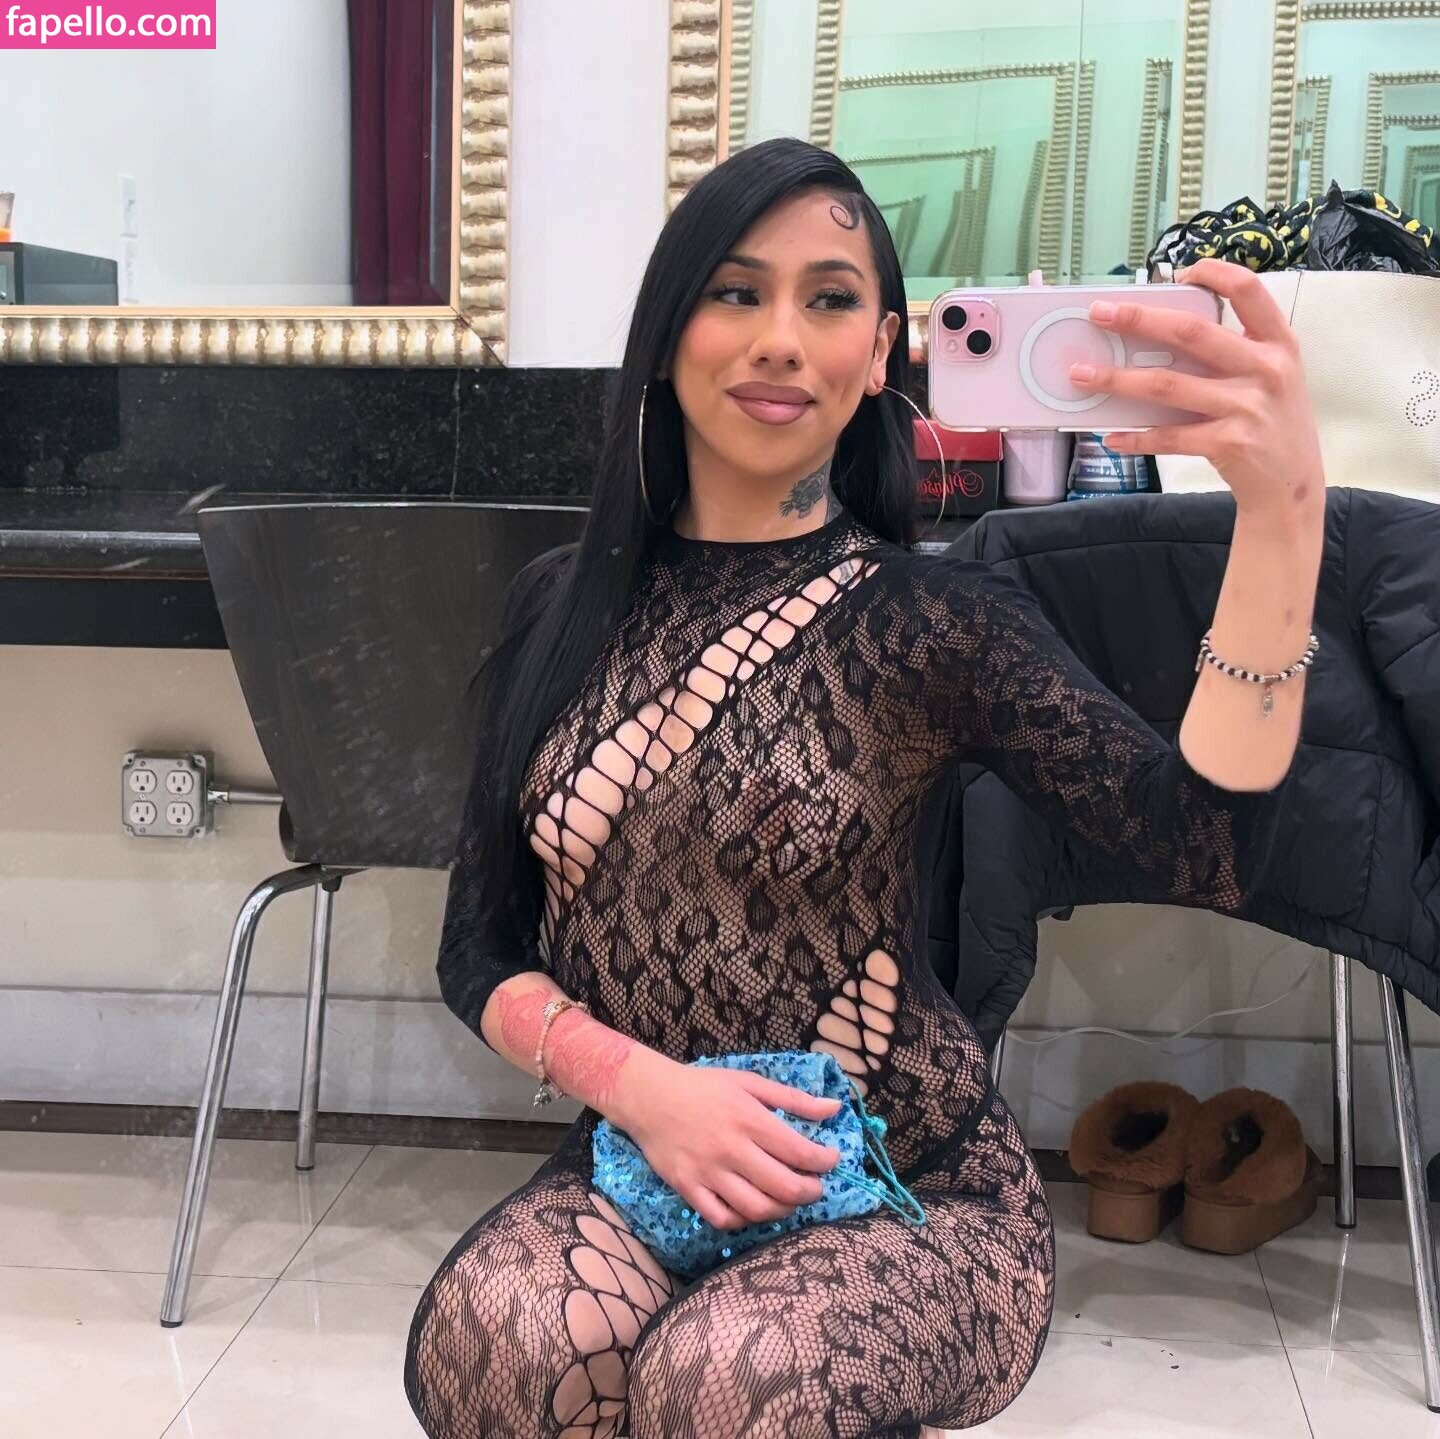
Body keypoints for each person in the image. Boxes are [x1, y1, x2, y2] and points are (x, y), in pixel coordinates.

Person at [403, 137, 1325, 1438]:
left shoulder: (929, 624)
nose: (781, 338)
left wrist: (1285, 514)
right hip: (650, 1152)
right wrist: (646, 1090)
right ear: (666, 333)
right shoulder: (559, 608)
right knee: (499, 1344)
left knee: (724, 1379)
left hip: (913, 1183)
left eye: (828, 299)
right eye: (735, 291)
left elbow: (1207, 850)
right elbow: (478, 950)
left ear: (881, 351)